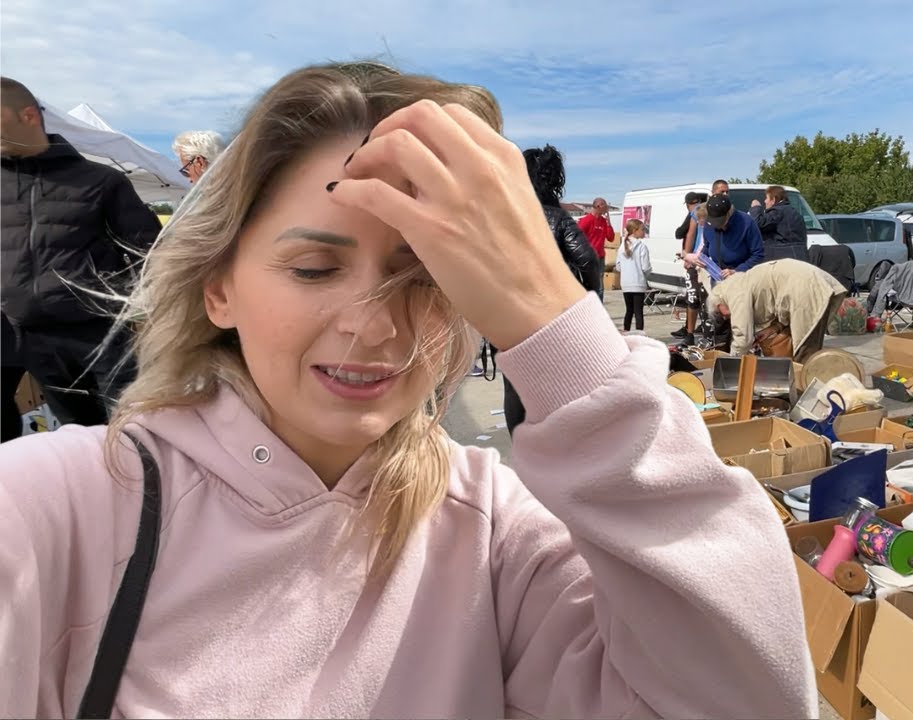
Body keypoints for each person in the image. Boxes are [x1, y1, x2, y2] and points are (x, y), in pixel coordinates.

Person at [0, 62, 815, 719]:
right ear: (219, 287)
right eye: (314, 268)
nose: (374, 326)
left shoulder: (494, 532)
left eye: (426, 278)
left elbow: (750, 697)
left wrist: (561, 332)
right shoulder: (56, 508)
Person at [1, 77, 161, 429]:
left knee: (132, 429)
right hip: (26, 337)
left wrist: (130, 306)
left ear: (28, 116)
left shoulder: (101, 181)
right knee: (75, 434)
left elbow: (149, 253)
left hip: (99, 336)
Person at [501, 144, 602, 433]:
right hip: (550, 315)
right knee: (558, 385)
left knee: (513, 387)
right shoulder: (557, 218)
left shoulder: (503, 216)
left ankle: (522, 449)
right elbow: (588, 261)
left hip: (506, 314)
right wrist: (590, 297)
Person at [707, 259, 847, 362]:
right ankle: (806, 387)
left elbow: (742, 336)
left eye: (721, 313)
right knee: (810, 348)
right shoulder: (739, 283)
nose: (726, 318)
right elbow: (777, 302)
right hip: (809, 282)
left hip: (805, 287)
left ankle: (803, 392)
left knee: (805, 353)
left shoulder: (732, 291)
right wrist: (774, 328)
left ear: (718, 302)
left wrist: (733, 363)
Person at [691, 193, 764, 279]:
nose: (717, 226)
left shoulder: (746, 223)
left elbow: (758, 254)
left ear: (729, 212)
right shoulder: (709, 222)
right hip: (717, 278)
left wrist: (737, 271)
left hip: (741, 279)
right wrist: (701, 258)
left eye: (721, 222)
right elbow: (707, 246)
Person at [672, 191, 709, 340]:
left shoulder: (700, 212)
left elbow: (688, 234)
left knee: (701, 298)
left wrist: (687, 255)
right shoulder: (695, 214)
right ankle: (690, 332)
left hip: (700, 260)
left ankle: (699, 332)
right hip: (694, 259)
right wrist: (687, 256)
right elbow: (685, 233)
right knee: (693, 297)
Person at [749, 185, 807, 262]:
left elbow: (757, 224)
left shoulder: (777, 212)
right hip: (800, 258)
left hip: (781, 260)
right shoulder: (795, 212)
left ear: (773, 199)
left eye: (767, 198)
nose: (765, 201)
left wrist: (755, 208)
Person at [617, 218, 652, 333]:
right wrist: (647, 276)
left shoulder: (622, 246)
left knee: (629, 311)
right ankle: (639, 336)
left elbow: (618, 266)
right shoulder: (642, 247)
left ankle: (626, 333)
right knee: (638, 312)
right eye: (642, 229)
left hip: (626, 284)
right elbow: (645, 267)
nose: (644, 232)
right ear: (635, 231)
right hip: (638, 283)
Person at [577, 196, 615, 298]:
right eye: (605, 206)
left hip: (600, 257)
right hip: (589, 257)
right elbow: (577, 236)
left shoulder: (603, 221)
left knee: (600, 286)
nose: (607, 208)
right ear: (598, 206)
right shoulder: (586, 220)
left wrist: (608, 222)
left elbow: (611, 238)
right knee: (589, 284)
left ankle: (599, 309)